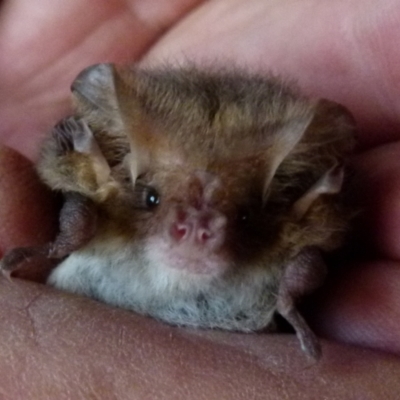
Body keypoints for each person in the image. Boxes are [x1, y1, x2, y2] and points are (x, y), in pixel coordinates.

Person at [1, 0, 400, 397]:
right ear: (112, 175)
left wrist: (291, 290)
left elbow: (315, 243)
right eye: (153, 199)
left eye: (241, 213)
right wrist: (62, 240)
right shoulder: (99, 205)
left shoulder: (285, 242)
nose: (194, 228)